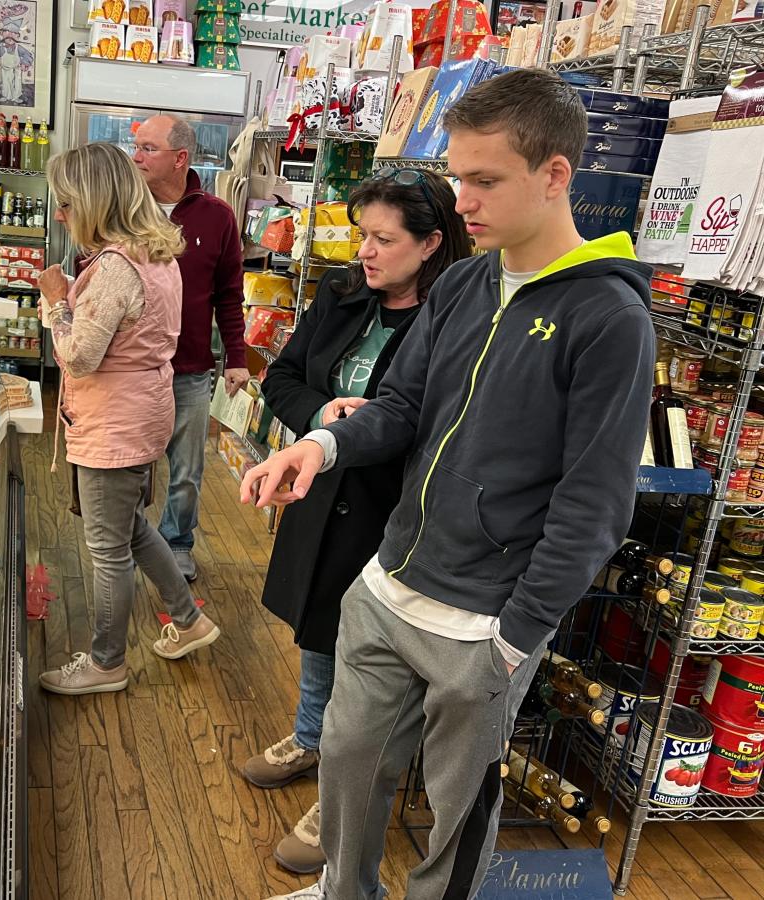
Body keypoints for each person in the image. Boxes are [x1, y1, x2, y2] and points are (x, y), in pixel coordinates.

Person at [243, 69, 655, 900]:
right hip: (387, 585)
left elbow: (595, 506)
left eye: (485, 179)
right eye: (458, 175)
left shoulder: (609, 318)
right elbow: (400, 406)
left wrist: (513, 639)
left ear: (555, 174)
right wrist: (321, 446)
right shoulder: (466, 282)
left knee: (457, 821)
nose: (462, 199)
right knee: (350, 772)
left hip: (482, 624)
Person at [245, 170, 470, 876]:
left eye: (383, 238)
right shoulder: (340, 295)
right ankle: (311, 737)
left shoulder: (457, 317)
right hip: (322, 491)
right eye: (360, 234)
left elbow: (431, 423)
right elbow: (280, 377)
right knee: (319, 629)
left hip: (393, 513)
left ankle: (341, 793)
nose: (365, 252)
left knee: (371, 662)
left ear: (432, 243)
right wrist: (321, 419)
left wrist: (362, 432)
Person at [36, 142, 221, 696]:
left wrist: (54, 301)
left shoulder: (116, 266)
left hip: (112, 423)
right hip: (143, 412)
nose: (62, 215)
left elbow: (79, 354)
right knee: (131, 528)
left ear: (94, 201)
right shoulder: (157, 252)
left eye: (67, 204)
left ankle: (106, 662)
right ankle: (188, 619)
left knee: (107, 548)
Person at [132, 114, 248, 583]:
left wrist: (236, 357)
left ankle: (178, 543)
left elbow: (229, 294)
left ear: (180, 158)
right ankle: (129, 539)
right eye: (135, 147)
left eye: (147, 148)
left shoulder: (217, 217)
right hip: (133, 371)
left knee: (185, 471)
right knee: (131, 466)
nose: (136, 156)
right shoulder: (124, 209)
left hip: (192, 370)